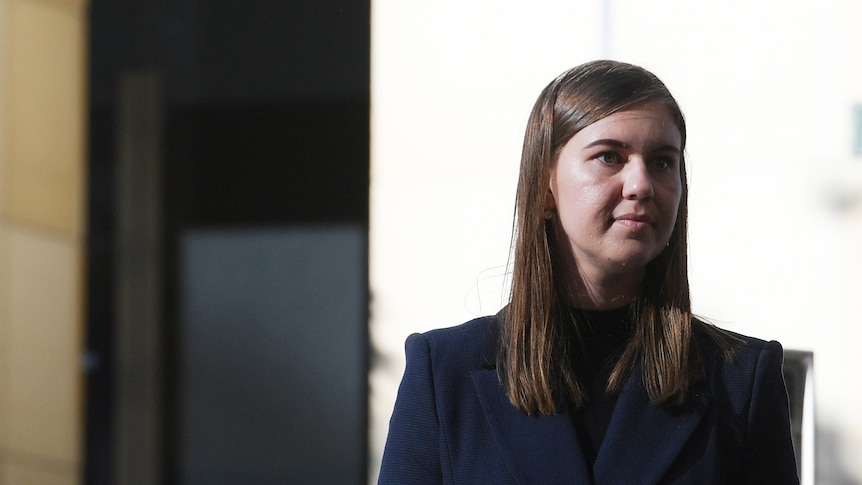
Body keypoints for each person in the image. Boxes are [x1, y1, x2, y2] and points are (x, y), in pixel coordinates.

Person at [378, 60, 799, 484]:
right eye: (609, 157)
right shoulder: (444, 374)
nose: (641, 184)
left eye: (663, 162)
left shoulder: (739, 380)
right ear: (545, 184)